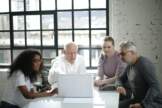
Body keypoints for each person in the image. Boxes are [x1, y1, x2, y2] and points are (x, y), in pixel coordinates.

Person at [116, 41, 162, 108]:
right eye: (119, 54)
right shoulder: (130, 65)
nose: (120, 57)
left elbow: (155, 86)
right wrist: (119, 86)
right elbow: (120, 78)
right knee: (116, 105)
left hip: (152, 103)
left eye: (122, 54)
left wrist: (143, 105)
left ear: (132, 52)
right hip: (138, 100)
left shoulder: (144, 64)